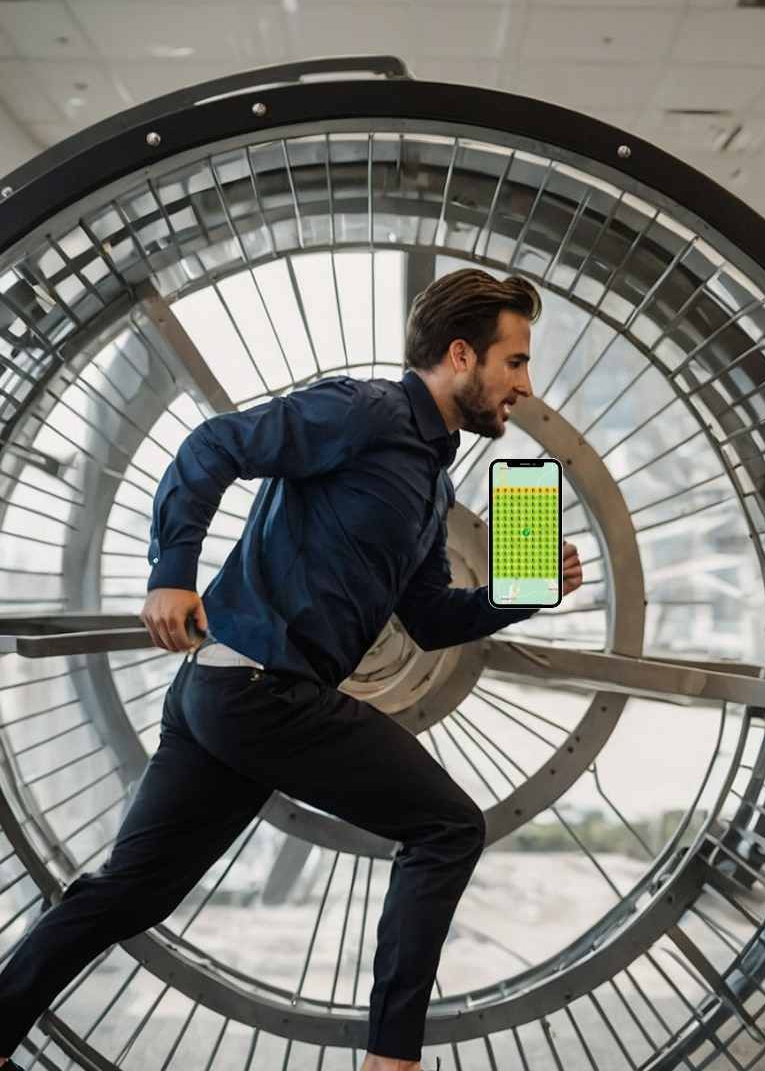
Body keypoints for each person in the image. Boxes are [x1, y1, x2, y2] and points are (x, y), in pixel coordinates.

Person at [0, 268, 584, 1071]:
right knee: (448, 827)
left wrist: (524, 595)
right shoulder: (366, 412)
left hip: (227, 693)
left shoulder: (428, 481)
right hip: (259, 689)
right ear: (462, 355)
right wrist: (172, 572)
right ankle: (392, 1061)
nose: (523, 383)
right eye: (513, 362)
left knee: (131, 893)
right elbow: (214, 446)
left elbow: (427, 619)